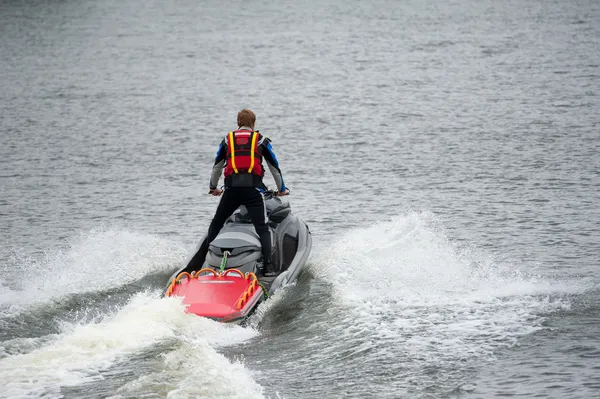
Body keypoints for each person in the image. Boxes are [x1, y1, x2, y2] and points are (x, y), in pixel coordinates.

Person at [182, 109, 289, 276]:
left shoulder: (227, 139)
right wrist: (282, 190)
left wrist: (213, 188)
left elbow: (217, 167)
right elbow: (274, 167)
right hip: (253, 191)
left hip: (231, 191)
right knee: (262, 227)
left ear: (238, 123)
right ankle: (268, 267)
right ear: (253, 124)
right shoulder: (260, 140)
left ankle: (198, 263)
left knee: (216, 223)